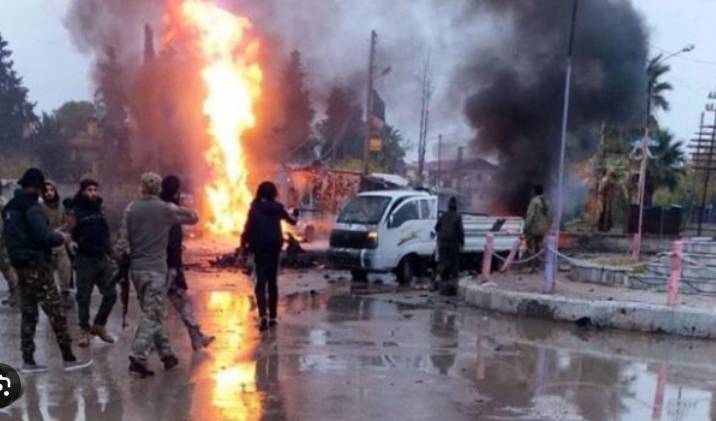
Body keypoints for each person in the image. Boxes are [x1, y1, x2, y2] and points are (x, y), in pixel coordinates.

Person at [1, 168, 92, 372]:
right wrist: (61, 237)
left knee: (29, 312)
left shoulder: (10, 207)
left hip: (20, 265)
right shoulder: (31, 207)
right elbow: (42, 236)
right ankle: (68, 358)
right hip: (36, 265)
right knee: (56, 311)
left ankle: (28, 360)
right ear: (36, 186)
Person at [116, 172, 199, 378]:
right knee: (153, 314)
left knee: (152, 312)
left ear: (141, 187)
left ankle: (167, 355)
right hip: (156, 270)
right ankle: (138, 357)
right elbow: (193, 217)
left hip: (136, 270)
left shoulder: (131, 208)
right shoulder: (165, 209)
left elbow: (122, 241)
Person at [160, 175, 214, 351]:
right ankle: (143, 349)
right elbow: (193, 217)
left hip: (169, 265)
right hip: (165, 267)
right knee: (155, 309)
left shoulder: (164, 209)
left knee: (182, 302)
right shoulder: (168, 210)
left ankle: (197, 337)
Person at [240, 181, 298, 332]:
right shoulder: (278, 208)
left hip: (259, 249)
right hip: (274, 249)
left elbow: (247, 229)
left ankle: (263, 316)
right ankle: (273, 317)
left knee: (260, 283)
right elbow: (292, 221)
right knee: (272, 283)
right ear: (273, 193)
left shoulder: (254, 209)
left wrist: (243, 247)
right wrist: (296, 213)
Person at [66, 179, 117, 347]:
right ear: (82, 192)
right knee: (84, 298)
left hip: (101, 258)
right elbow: (68, 232)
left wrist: (112, 253)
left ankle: (99, 326)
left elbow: (105, 233)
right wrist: (71, 243)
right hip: (84, 260)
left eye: (95, 189)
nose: (93, 193)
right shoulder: (76, 211)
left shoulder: (99, 210)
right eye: (89, 189)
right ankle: (84, 331)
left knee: (111, 294)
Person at [41, 180, 73, 308]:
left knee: (65, 271)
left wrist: (60, 230)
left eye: (51, 190)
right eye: (46, 191)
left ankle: (65, 295)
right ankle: (51, 297)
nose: (49, 193)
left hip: (60, 244)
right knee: (48, 275)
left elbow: (67, 222)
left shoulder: (61, 206)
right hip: (47, 246)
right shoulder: (40, 208)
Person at [434, 197, 464, 296]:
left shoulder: (443, 216)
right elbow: (460, 231)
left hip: (442, 242)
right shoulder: (457, 216)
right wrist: (462, 243)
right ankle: (452, 287)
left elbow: (436, 228)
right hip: (452, 243)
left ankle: (441, 284)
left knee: (442, 262)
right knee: (453, 264)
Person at [524, 184, 551, 272]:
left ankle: (532, 267)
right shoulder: (546, 201)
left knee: (531, 247)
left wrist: (526, 226)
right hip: (543, 228)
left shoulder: (534, 201)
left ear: (535, 191)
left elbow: (530, 215)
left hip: (534, 228)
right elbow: (549, 215)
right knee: (539, 246)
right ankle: (539, 265)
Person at [0, 196, 19, 307]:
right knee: (7, 269)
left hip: (2, 243)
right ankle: (15, 294)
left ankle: (16, 294)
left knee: (7, 269)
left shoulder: (3, 203)